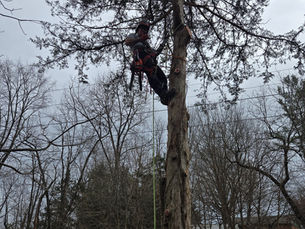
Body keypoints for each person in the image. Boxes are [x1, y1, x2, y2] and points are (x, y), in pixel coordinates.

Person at [125, 20, 175, 105]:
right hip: (141, 57)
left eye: (145, 30)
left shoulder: (146, 44)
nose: (143, 31)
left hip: (150, 61)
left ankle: (165, 95)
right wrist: (140, 39)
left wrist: (163, 43)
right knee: (152, 77)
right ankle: (163, 95)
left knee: (163, 78)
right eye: (142, 29)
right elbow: (127, 42)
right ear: (138, 30)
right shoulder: (133, 36)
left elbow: (155, 53)